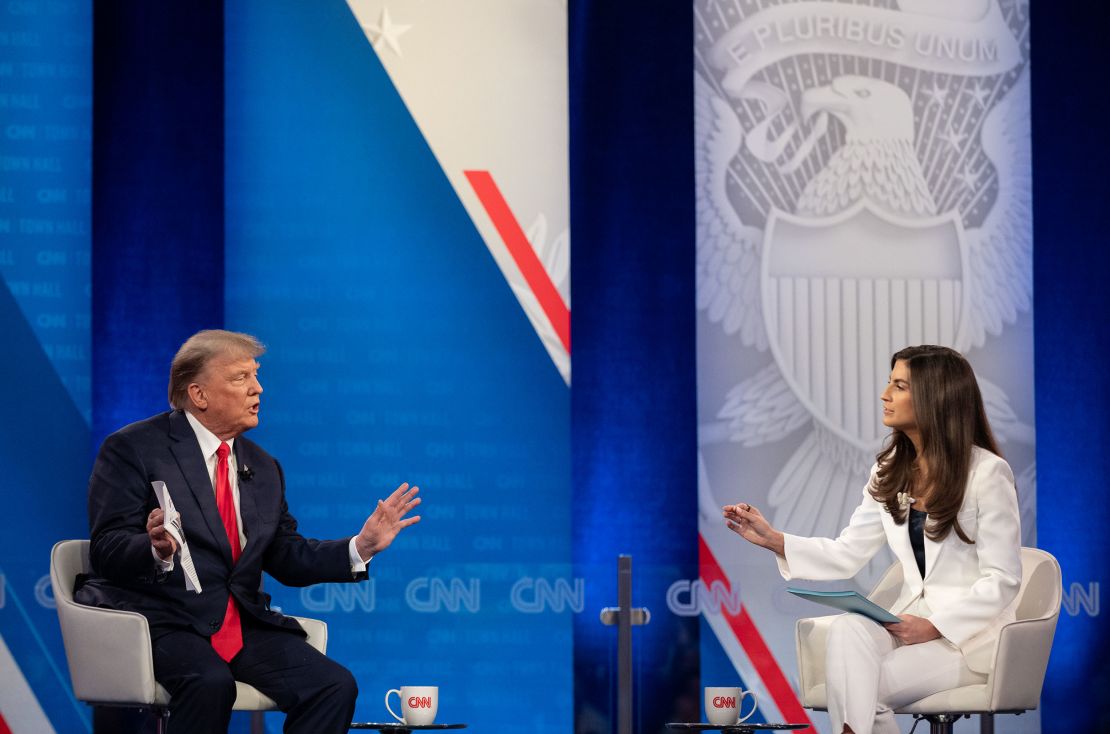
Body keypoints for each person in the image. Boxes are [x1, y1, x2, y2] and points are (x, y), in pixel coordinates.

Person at [75, 329, 422, 733]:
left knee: (333, 685)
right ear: (199, 394)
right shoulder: (134, 448)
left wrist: (359, 547)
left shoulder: (264, 467)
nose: (258, 388)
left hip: (237, 625)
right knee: (210, 683)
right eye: (241, 378)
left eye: (256, 376)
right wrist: (156, 550)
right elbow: (106, 547)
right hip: (161, 619)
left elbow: (285, 555)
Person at [723, 345, 1022, 734]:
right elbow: (848, 553)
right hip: (907, 623)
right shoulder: (888, 470)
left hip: (967, 639)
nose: (885, 395)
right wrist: (775, 540)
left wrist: (936, 626)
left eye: (899, 386)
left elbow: (1004, 579)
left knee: (859, 691)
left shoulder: (987, 473)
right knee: (849, 629)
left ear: (935, 398)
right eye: (889, 383)